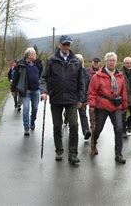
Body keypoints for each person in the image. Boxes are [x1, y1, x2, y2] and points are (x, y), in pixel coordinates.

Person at [40, 35, 85, 164]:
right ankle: (59, 150)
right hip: (56, 98)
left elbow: (81, 82)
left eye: (68, 45)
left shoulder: (76, 61)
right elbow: (43, 78)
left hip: (72, 99)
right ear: (59, 45)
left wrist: (81, 98)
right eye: (64, 44)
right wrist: (44, 91)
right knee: (57, 126)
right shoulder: (51, 60)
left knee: (74, 125)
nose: (66, 47)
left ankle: (73, 154)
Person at [87, 52, 128, 163]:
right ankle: (93, 143)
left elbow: (123, 92)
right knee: (98, 128)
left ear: (116, 62)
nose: (112, 62)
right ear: (106, 61)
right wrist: (92, 105)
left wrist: (124, 105)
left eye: (113, 60)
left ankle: (118, 154)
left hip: (116, 106)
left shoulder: (120, 76)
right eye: (110, 60)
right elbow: (91, 92)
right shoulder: (97, 76)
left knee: (119, 129)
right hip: (102, 105)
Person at [11, 48, 43, 135]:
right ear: (29, 55)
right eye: (34, 54)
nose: (36, 55)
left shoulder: (38, 64)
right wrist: (13, 90)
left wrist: (43, 88)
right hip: (26, 91)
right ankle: (26, 127)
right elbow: (15, 78)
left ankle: (32, 121)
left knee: (35, 108)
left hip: (36, 90)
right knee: (26, 109)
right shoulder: (21, 65)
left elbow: (42, 76)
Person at [75, 54, 91, 140]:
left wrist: (86, 98)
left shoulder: (85, 72)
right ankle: (66, 119)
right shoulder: (71, 71)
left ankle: (86, 131)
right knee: (71, 116)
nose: (78, 62)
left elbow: (87, 86)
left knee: (83, 114)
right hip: (71, 98)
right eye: (77, 60)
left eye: (80, 60)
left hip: (82, 98)